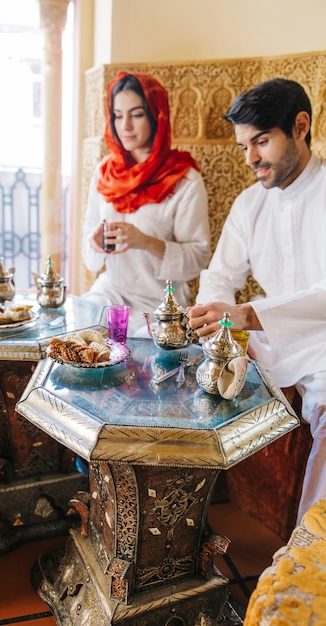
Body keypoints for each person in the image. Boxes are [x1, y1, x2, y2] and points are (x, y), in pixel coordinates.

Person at [187, 77, 326, 525]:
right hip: (269, 341)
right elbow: (219, 276)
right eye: (244, 146)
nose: (250, 159)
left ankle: (309, 557)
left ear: (300, 126)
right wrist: (215, 321)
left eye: (261, 142)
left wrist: (246, 315)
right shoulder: (250, 205)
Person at [82, 71, 211, 335]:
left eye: (137, 114)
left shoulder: (184, 179)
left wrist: (147, 242)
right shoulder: (105, 172)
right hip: (111, 292)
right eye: (118, 115)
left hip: (162, 302)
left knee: (137, 353)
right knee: (80, 330)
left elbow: (199, 256)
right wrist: (95, 244)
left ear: (156, 116)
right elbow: (89, 254)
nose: (125, 126)